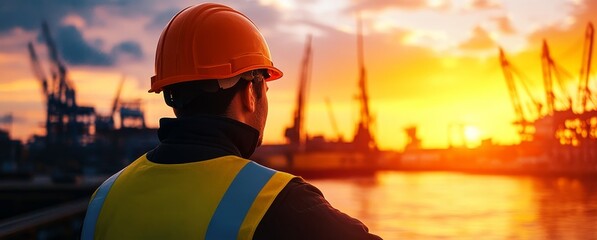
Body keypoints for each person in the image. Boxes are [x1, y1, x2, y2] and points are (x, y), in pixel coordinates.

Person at [80, 3, 381, 240]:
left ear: (171, 94)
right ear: (251, 91)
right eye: (265, 85)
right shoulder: (276, 201)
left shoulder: (104, 199)